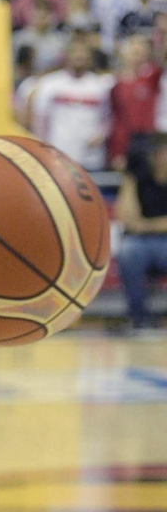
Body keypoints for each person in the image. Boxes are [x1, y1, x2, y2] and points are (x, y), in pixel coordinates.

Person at [21, 35, 114, 171]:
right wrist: (41, 151)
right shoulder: (49, 84)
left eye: (83, 52)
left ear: (90, 57)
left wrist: (102, 134)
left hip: (91, 158)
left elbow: (109, 117)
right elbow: (39, 121)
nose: (79, 56)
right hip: (58, 156)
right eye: (75, 51)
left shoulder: (101, 86)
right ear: (66, 55)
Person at [114, 133, 167, 332]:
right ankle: (138, 317)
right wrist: (129, 178)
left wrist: (146, 225)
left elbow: (139, 224)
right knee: (128, 252)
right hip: (140, 242)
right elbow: (127, 219)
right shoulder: (138, 175)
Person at [108, 34, 160, 168]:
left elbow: (161, 57)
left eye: (141, 51)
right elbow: (117, 119)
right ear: (123, 54)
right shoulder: (114, 83)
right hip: (125, 138)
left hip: (148, 138)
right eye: (133, 51)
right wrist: (117, 151)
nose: (137, 55)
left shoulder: (151, 77)